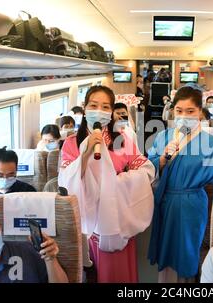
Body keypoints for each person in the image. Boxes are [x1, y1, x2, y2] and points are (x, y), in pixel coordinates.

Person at [147, 86, 213, 282]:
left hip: (191, 205)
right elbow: (146, 166)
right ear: (173, 111)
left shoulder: (211, 143)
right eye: (179, 111)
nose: (184, 116)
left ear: (200, 113)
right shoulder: (163, 136)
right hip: (164, 202)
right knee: (166, 252)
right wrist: (160, 160)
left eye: (190, 111)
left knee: (187, 251)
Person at [58, 85, 155, 283]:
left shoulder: (122, 139)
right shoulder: (71, 143)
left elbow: (146, 170)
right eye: (94, 105)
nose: (99, 111)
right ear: (85, 108)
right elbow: (66, 181)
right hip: (89, 223)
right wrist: (84, 154)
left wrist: (117, 184)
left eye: (105, 107)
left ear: (111, 112)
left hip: (120, 214)